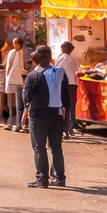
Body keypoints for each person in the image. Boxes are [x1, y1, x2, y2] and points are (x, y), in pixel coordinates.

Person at [23, 45, 71, 188]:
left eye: (36, 53)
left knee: (39, 148)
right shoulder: (60, 72)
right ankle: (60, 178)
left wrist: (26, 111)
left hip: (38, 116)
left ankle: (42, 178)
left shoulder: (33, 75)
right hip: (57, 115)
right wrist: (66, 119)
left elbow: (27, 98)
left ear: (43, 56)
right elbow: (66, 98)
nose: (33, 54)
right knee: (56, 148)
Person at [2, 36, 27, 131]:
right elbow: (9, 64)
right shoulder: (12, 52)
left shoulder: (22, 52)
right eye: (14, 43)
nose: (15, 45)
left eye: (16, 43)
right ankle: (10, 122)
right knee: (11, 103)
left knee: (19, 103)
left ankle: (19, 124)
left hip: (19, 79)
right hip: (12, 78)